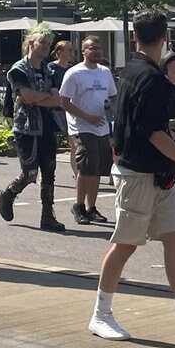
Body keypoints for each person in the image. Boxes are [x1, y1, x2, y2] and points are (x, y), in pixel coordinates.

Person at [87, 8, 175, 345]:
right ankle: (100, 314)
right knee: (125, 245)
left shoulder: (132, 71)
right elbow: (151, 134)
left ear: (135, 36)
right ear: (165, 36)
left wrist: (174, 125)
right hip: (139, 174)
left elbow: (143, 125)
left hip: (155, 176)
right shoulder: (150, 78)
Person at [0, 24, 66, 233]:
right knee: (29, 173)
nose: (45, 47)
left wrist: (38, 98)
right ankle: (9, 193)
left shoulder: (48, 69)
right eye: (42, 43)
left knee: (49, 171)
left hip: (47, 124)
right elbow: (26, 96)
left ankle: (47, 216)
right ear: (31, 43)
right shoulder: (18, 70)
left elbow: (57, 99)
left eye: (48, 43)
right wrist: (41, 97)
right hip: (26, 127)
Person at [60, 36, 118, 225]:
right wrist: (87, 117)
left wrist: (113, 113)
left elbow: (112, 97)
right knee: (86, 167)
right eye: (92, 48)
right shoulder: (74, 73)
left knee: (97, 169)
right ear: (83, 51)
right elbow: (64, 102)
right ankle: (78, 205)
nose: (97, 51)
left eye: (99, 48)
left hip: (102, 127)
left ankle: (91, 208)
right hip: (82, 127)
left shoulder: (105, 72)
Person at [48, 39, 78, 177]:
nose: (72, 53)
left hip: (70, 110)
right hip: (54, 110)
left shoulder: (74, 69)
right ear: (59, 52)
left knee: (74, 143)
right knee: (50, 144)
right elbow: (50, 89)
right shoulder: (50, 68)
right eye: (69, 50)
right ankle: (46, 172)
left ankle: (77, 174)